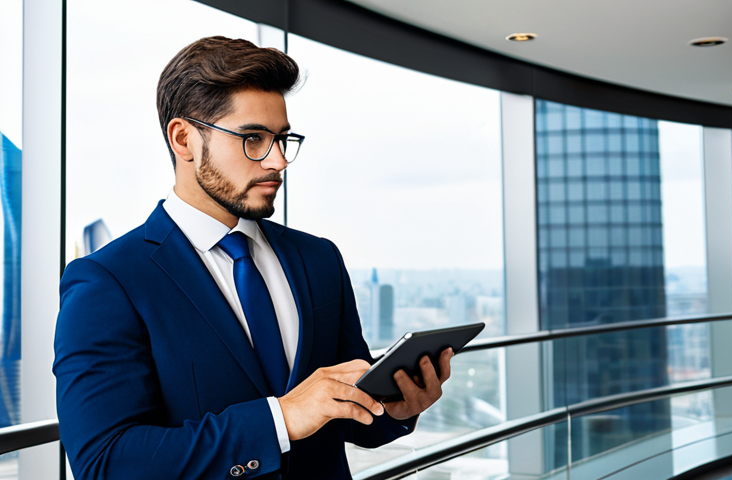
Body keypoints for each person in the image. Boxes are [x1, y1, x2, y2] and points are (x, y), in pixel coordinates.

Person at [53, 36, 453, 480]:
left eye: (282, 139)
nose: (279, 160)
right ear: (183, 139)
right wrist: (279, 419)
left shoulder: (318, 259)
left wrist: (397, 408)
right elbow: (105, 462)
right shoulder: (108, 281)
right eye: (253, 139)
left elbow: (345, 414)